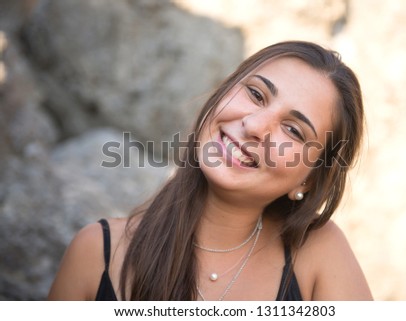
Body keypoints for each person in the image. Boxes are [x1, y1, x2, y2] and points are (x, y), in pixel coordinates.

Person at [48, 41, 373, 301]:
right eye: (256, 94)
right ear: (221, 93)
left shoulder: (318, 253)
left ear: (310, 177)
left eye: (293, 130)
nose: (255, 126)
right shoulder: (96, 253)